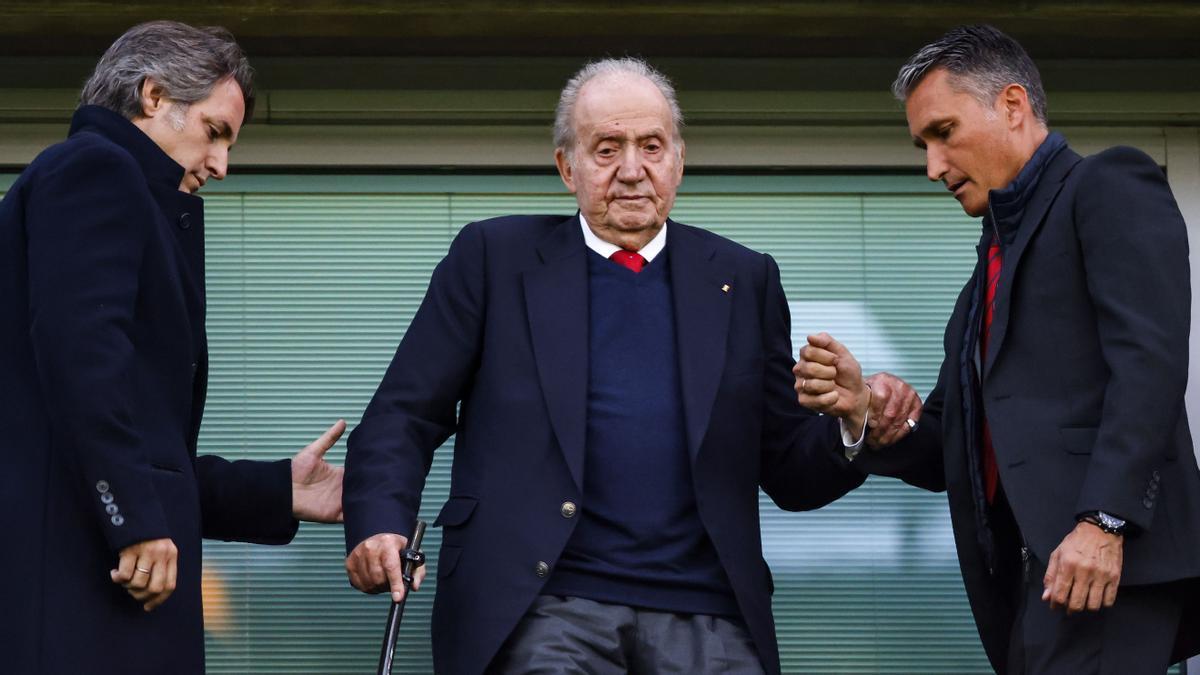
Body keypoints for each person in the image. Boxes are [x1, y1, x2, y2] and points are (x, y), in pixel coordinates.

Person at [342, 57, 917, 675]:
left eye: (651, 146)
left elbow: (785, 468)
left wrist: (853, 424)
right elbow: (404, 413)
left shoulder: (743, 278)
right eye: (607, 148)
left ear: (679, 159)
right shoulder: (493, 259)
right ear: (567, 167)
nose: (632, 170)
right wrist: (379, 522)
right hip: (542, 606)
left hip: (710, 612)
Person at [795, 24, 1200, 674]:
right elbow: (948, 448)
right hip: (1030, 586)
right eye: (922, 144)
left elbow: (1149, 363)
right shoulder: (981, 281)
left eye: (944, 133)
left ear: (1012, 106)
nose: (932, 166)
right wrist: (868, 410)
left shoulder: (1107, 184)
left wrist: (1106, 520)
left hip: (1106, 567)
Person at [0, 21, 346, 675]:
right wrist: (132, 517)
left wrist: (279, 490)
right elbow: (83, 357)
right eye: (216, 132)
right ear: (154, 96)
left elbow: (143, 446)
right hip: (81, 597)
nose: (221, 164)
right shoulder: (94, 168)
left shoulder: (112, 191)